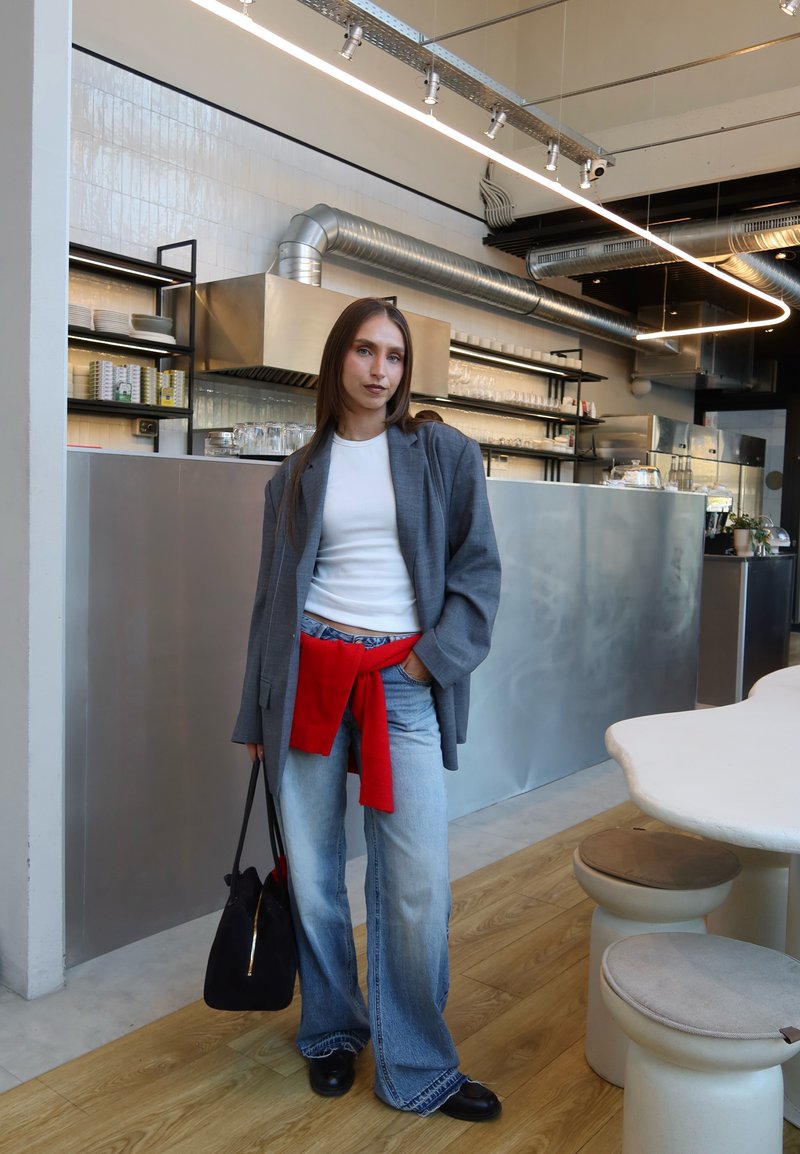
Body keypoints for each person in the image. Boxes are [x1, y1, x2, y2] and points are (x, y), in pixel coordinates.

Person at [232, 297, 502, 1121]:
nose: (379, 368)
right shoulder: (296, 473)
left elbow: (479, 576)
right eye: (363, 351)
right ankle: (331, 1033)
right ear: (337, 361)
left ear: (404, 367)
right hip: (309, 673)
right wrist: (254, 717)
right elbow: (272, 600)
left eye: (392, 354)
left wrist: (427, 661)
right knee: (314, 874)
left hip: (399, 683)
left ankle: (418, 1061)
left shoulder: (444, 454)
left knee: (415, 882)